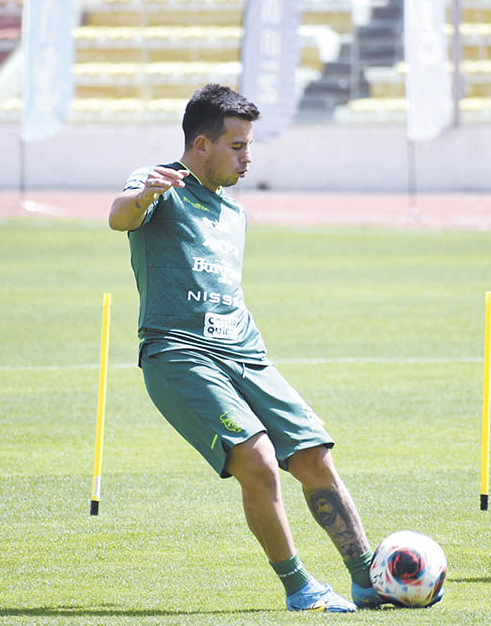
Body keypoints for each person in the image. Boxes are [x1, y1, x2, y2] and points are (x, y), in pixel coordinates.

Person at [108, 84, 386, 611]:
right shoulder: (158, 182)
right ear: (202, 143)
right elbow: (120, 216)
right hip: (180, 354)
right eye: (237, 146)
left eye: (249, 145)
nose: (248, 157)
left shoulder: (234, 211)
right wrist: (145, 194)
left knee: (313, 455)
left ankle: (366, 578)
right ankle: (301, 588)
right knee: (256, 460)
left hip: (247, 353)